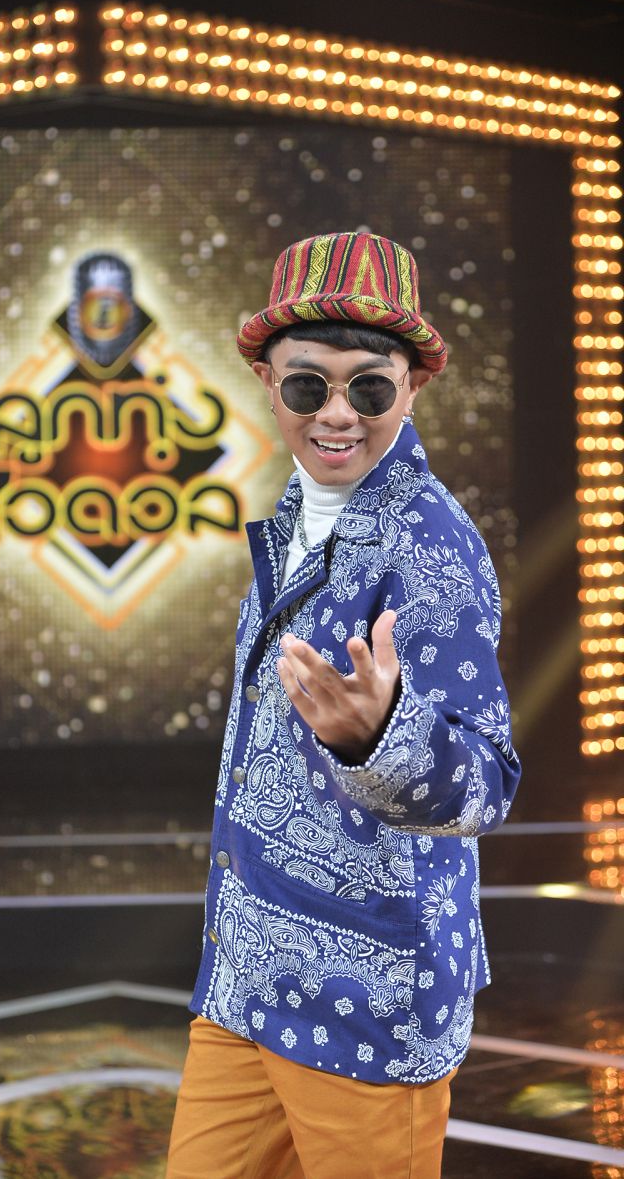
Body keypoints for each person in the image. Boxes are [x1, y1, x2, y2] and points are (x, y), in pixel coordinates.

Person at [165, 231, 521, 1179]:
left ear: (414, 388)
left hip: (368, 1002)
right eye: (306, 385)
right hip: (245, 976)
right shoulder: (294, 514)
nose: (335, 414)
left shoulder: (433, 546)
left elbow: (487, 783)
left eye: (368, 387)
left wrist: (383, 738)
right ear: (266, 382)